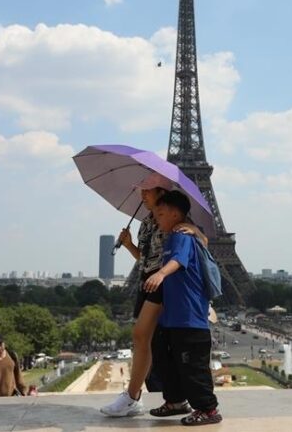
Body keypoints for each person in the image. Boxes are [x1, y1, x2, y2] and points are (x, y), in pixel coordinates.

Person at [100, 174, 205, 417]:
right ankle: (161, 398)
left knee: (141, 336)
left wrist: (194, 231)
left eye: (146, 191)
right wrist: (128, 245)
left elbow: (197, 244)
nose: (142, 195)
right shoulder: (147, 221)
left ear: (161, 192)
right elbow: (146, 260)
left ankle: (133, 396)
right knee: (152, 343)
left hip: (163, 282)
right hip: (148, 282)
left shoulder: (174, 218)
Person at [145, 191, 222, 425]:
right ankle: (176, 400)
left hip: (189, 318)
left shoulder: (182, 236)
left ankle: (208, 410)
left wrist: (160, 273)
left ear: (176, 214)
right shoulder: (175, 237)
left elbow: (177, 261)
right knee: (166, 358)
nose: (156, 218)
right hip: (173, 318)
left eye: (160, 213)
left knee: (192, 367)